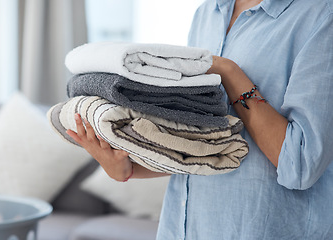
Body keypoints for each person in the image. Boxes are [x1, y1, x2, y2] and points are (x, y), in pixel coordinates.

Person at [67, 0, 333, 239]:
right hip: (182, 228)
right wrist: (130, 170)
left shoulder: (321, 15)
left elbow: (300, 164)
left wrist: (229, 72)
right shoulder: (208, 13)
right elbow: (202, 139)